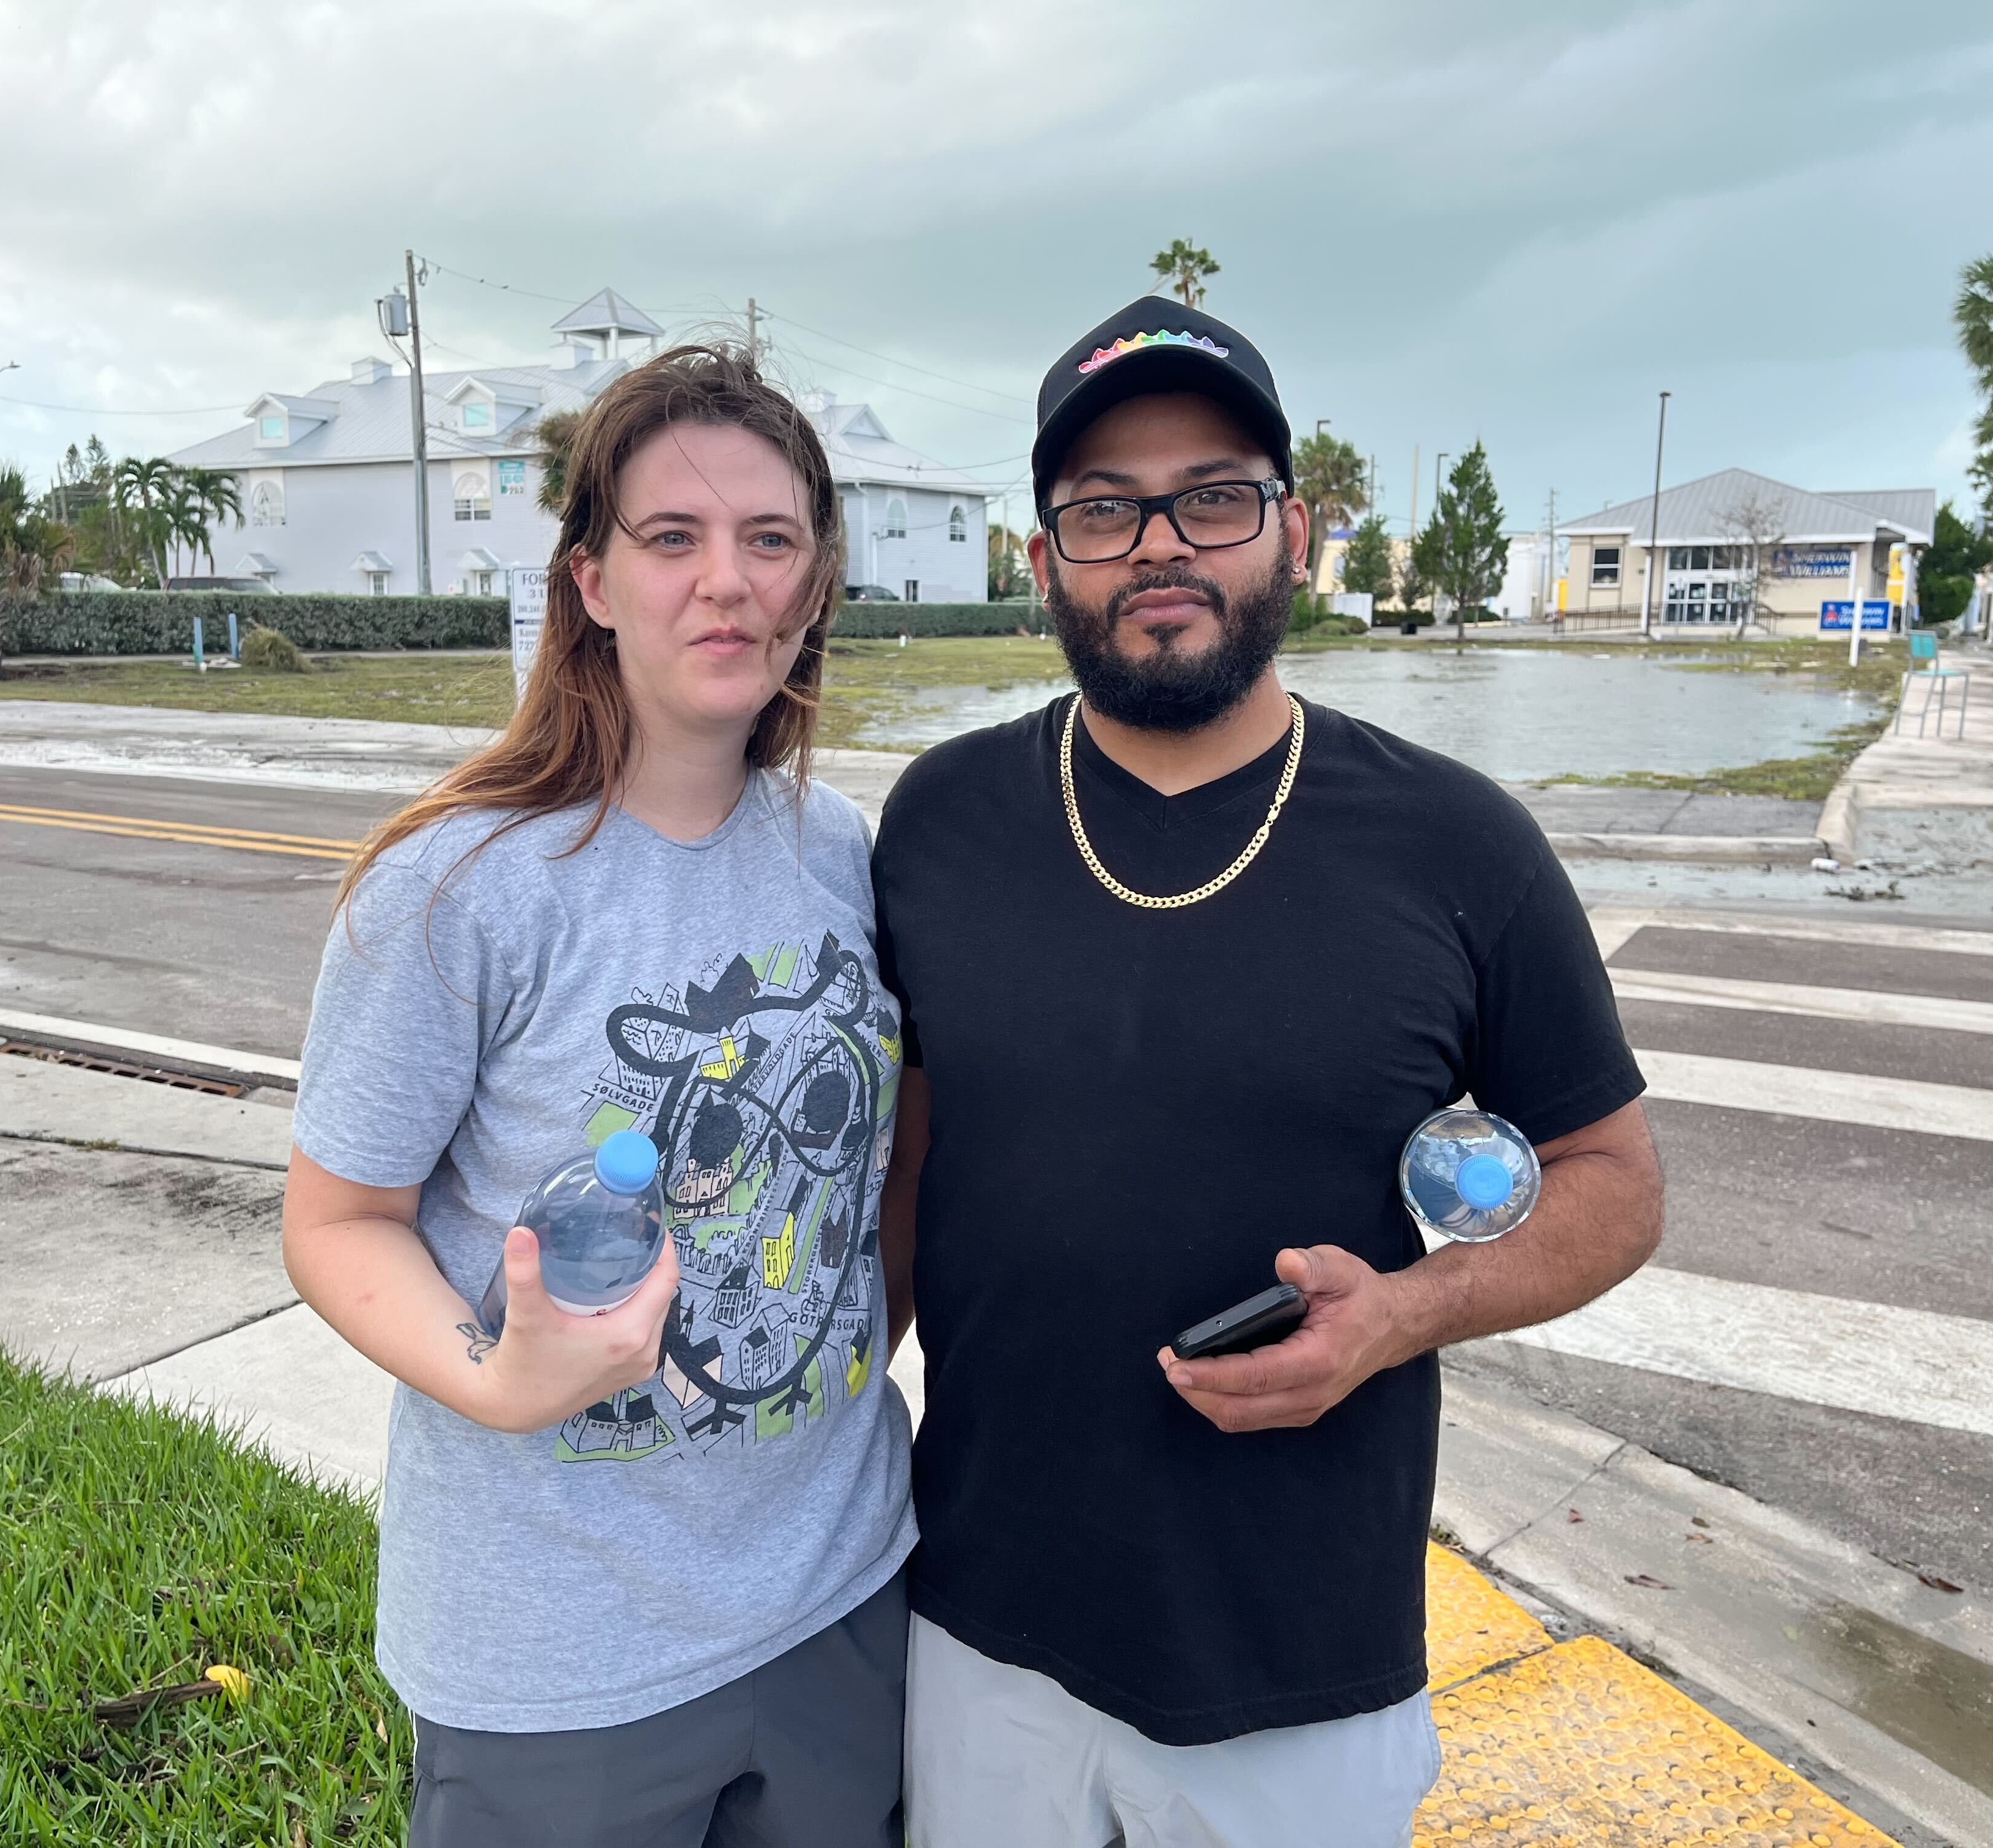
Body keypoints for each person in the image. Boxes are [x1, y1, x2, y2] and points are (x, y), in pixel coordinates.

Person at [872, 299, 1664, 1848]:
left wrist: (1412, 1312)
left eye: (1213, 496)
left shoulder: (1459, 846)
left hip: (1302, 1665)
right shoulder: (940, 820)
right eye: (1104, 508)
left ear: (1292, 533)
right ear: (1044, 559)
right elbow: (912, 1164)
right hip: (977, 1624)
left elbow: (1617, 1188)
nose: (1159, 543)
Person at [284, 346, 914, 1847]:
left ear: (816, 583)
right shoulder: (459, 889)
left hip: (842, 1597)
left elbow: (887, 1175)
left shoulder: (851, 856)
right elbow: (336, 1221)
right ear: (591, 581)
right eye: (673, 539)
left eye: (770, 541)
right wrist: (498, 1377)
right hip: (554, 1657)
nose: (729, 583)